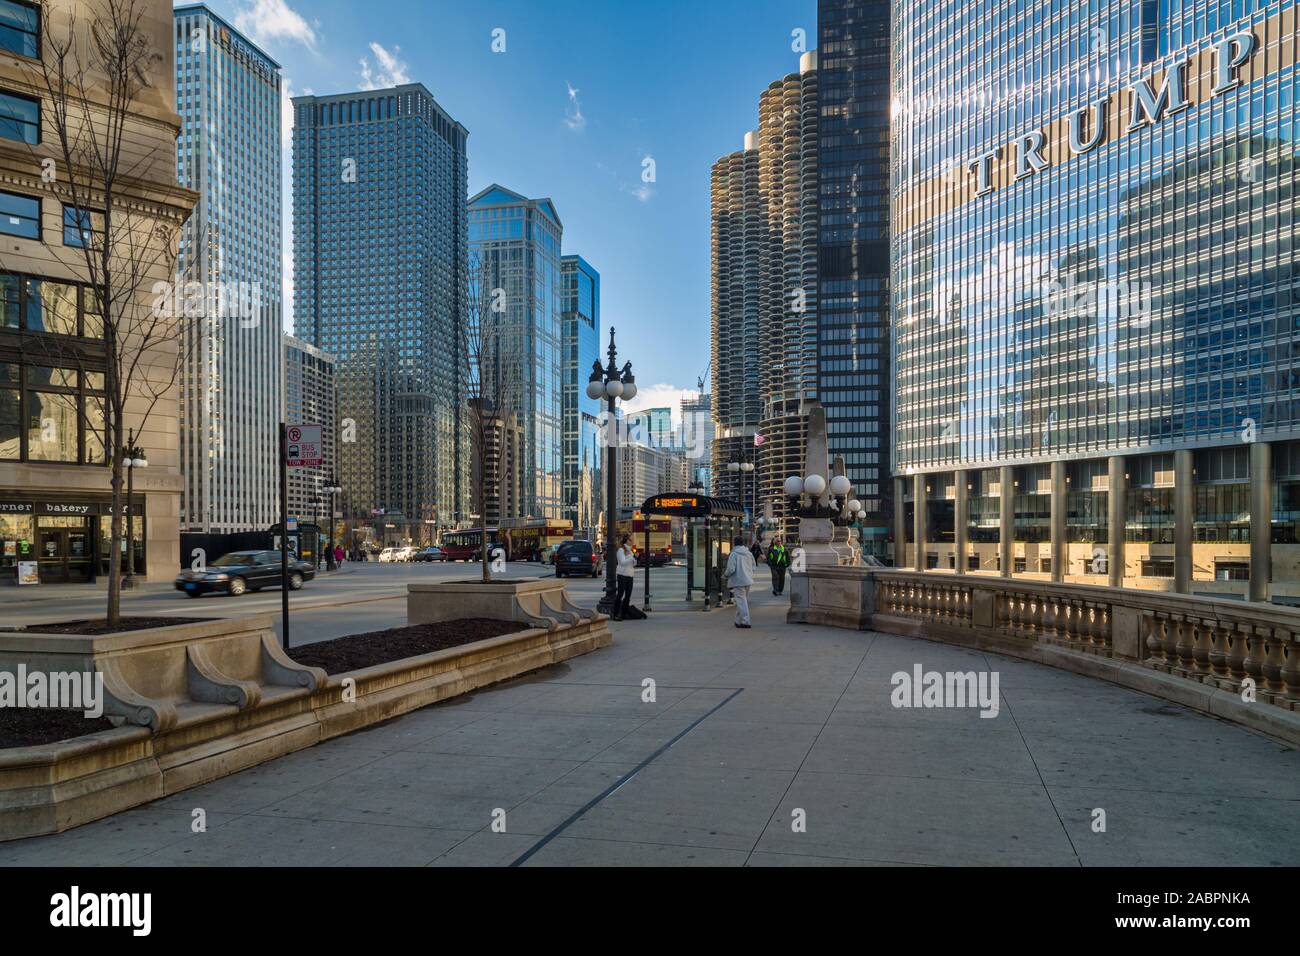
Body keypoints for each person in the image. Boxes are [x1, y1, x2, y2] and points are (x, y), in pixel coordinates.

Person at [724, 535, 756, 628]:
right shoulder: (748, 553)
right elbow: (754, 566)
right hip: (748, 580)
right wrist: (748, 573)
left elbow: (730, 569)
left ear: (734, 543)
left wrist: (725, 575)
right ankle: (738, 620)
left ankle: (746, 621)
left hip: (738, 581)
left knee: (741, 601)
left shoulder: (734, 554)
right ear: (743, 543)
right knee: (742, 601)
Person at [613, 535, 636, 621]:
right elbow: (622, 562)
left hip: (630, 574)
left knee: (628, 595)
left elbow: (633, 564)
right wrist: (631, 559)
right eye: (630, 540)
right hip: (622, 574)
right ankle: (616, 614)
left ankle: (624, 613)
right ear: (626, 541)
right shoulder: (621, 550)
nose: (632, 541)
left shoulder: (630, 551)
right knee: (620, 594)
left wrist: (634, 560)